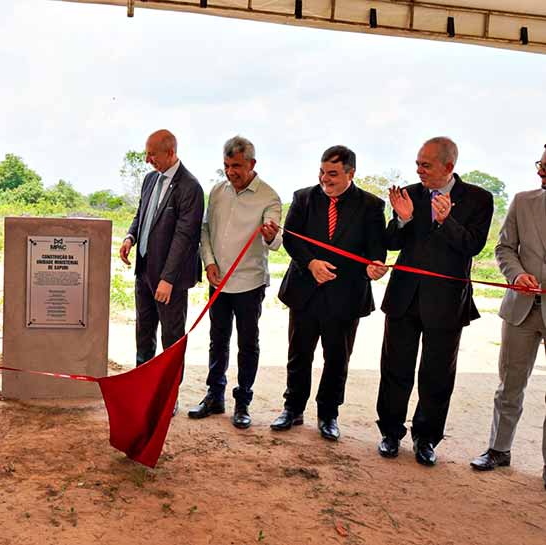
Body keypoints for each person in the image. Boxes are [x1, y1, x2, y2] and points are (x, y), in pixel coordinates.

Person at [376, 137, 493, 466]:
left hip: (446, 303)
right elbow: (392, 242)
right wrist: (402, 220)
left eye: (425, 165)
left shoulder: (479, 199)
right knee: (395, 368)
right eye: (417, 163)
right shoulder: (410, 194)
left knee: (437, 375)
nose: (419, 170)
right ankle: (390, 432)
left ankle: (426, 439)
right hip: (404, 297)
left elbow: (472, 245)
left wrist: (446, 222)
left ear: (449, 167)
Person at [272, 145, 387, 440]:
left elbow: (375, 251)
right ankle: (292, 409)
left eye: (333, 174)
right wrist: (311, 263)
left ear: (351, 173)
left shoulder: (371, 206)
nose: (325, 179)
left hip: (346, 297)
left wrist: (374, 268)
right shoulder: (303, 198)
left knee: (337, 359)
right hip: (305, 291)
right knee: (299, 354)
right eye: (322, 172)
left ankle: (328, 415)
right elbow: (291, 240)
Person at [188, 136, 282, 429]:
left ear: (252, 164)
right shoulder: (217, 191)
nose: (231, 172)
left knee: (247, 344)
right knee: (218, 340)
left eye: (237, 166)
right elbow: (204, 231)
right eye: (227, 166)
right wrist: (210, 263)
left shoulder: (269, 196)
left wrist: (269, 234)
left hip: (249, 284)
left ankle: (243, 403)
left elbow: (276, 241)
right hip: (218, 280)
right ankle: (214, 397)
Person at [470, 145, 546, 491]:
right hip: (520, 309)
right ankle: (499, 450)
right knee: (510, 385)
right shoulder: (521, 201)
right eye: (540, 165)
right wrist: (516, 276)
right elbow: (503, 248)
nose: (540, 172)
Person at [119, 129, 204, 414]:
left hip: (171, 281)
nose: (147, 159)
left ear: (170, 152)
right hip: (143, 274)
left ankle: (169, 396)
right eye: (146, 153)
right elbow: (141, 214)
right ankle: (143, 388)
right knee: (144, 334)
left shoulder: (190, 187)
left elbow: (185, 238)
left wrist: (167, 279)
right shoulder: (150, 179)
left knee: (171, 339)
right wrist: (130, 237)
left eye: (152, 154)